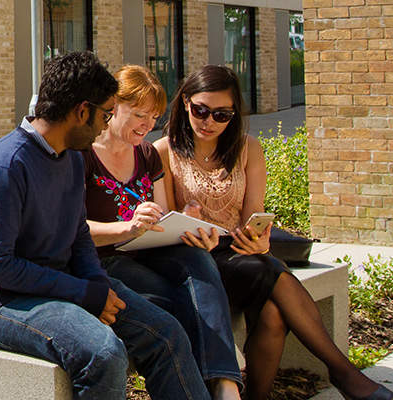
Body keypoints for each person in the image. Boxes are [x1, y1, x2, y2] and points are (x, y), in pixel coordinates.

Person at [0, 51, 209, 400]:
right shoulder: (5, 168)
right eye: (106, 113)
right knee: (103, 354)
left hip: (57, 283)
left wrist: (97, 286)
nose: (107, 123)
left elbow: (78, 234)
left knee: (166, 332)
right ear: (82, 111)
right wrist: (84, 294)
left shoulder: (71, 158)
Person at [152, 65, 393, 400]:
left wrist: (260, 238)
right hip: (196, 259)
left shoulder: (248, 148)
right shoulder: (163, 151)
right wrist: (186, 219)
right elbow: (165, 221)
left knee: (273, 312)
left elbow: (254, 213)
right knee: (273, 275)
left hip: (241, 253)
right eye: (201, 110)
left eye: (221, 114)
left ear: (234, 115)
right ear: (184, 104)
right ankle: (343, 372)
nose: (209, 121)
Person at [81, 65, 241, 400]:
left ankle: (226, 387)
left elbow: (164, 218)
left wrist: (189, 221)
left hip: (149, 250)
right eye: (139, 114)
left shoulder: (148, 153)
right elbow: (72, 229)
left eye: (154, 116)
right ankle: (222, 370)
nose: (148, 125)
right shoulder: (84, 155)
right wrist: (127, 226)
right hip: (107, 259)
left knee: (198, 258)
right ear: (113, 107)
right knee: (175, 303)